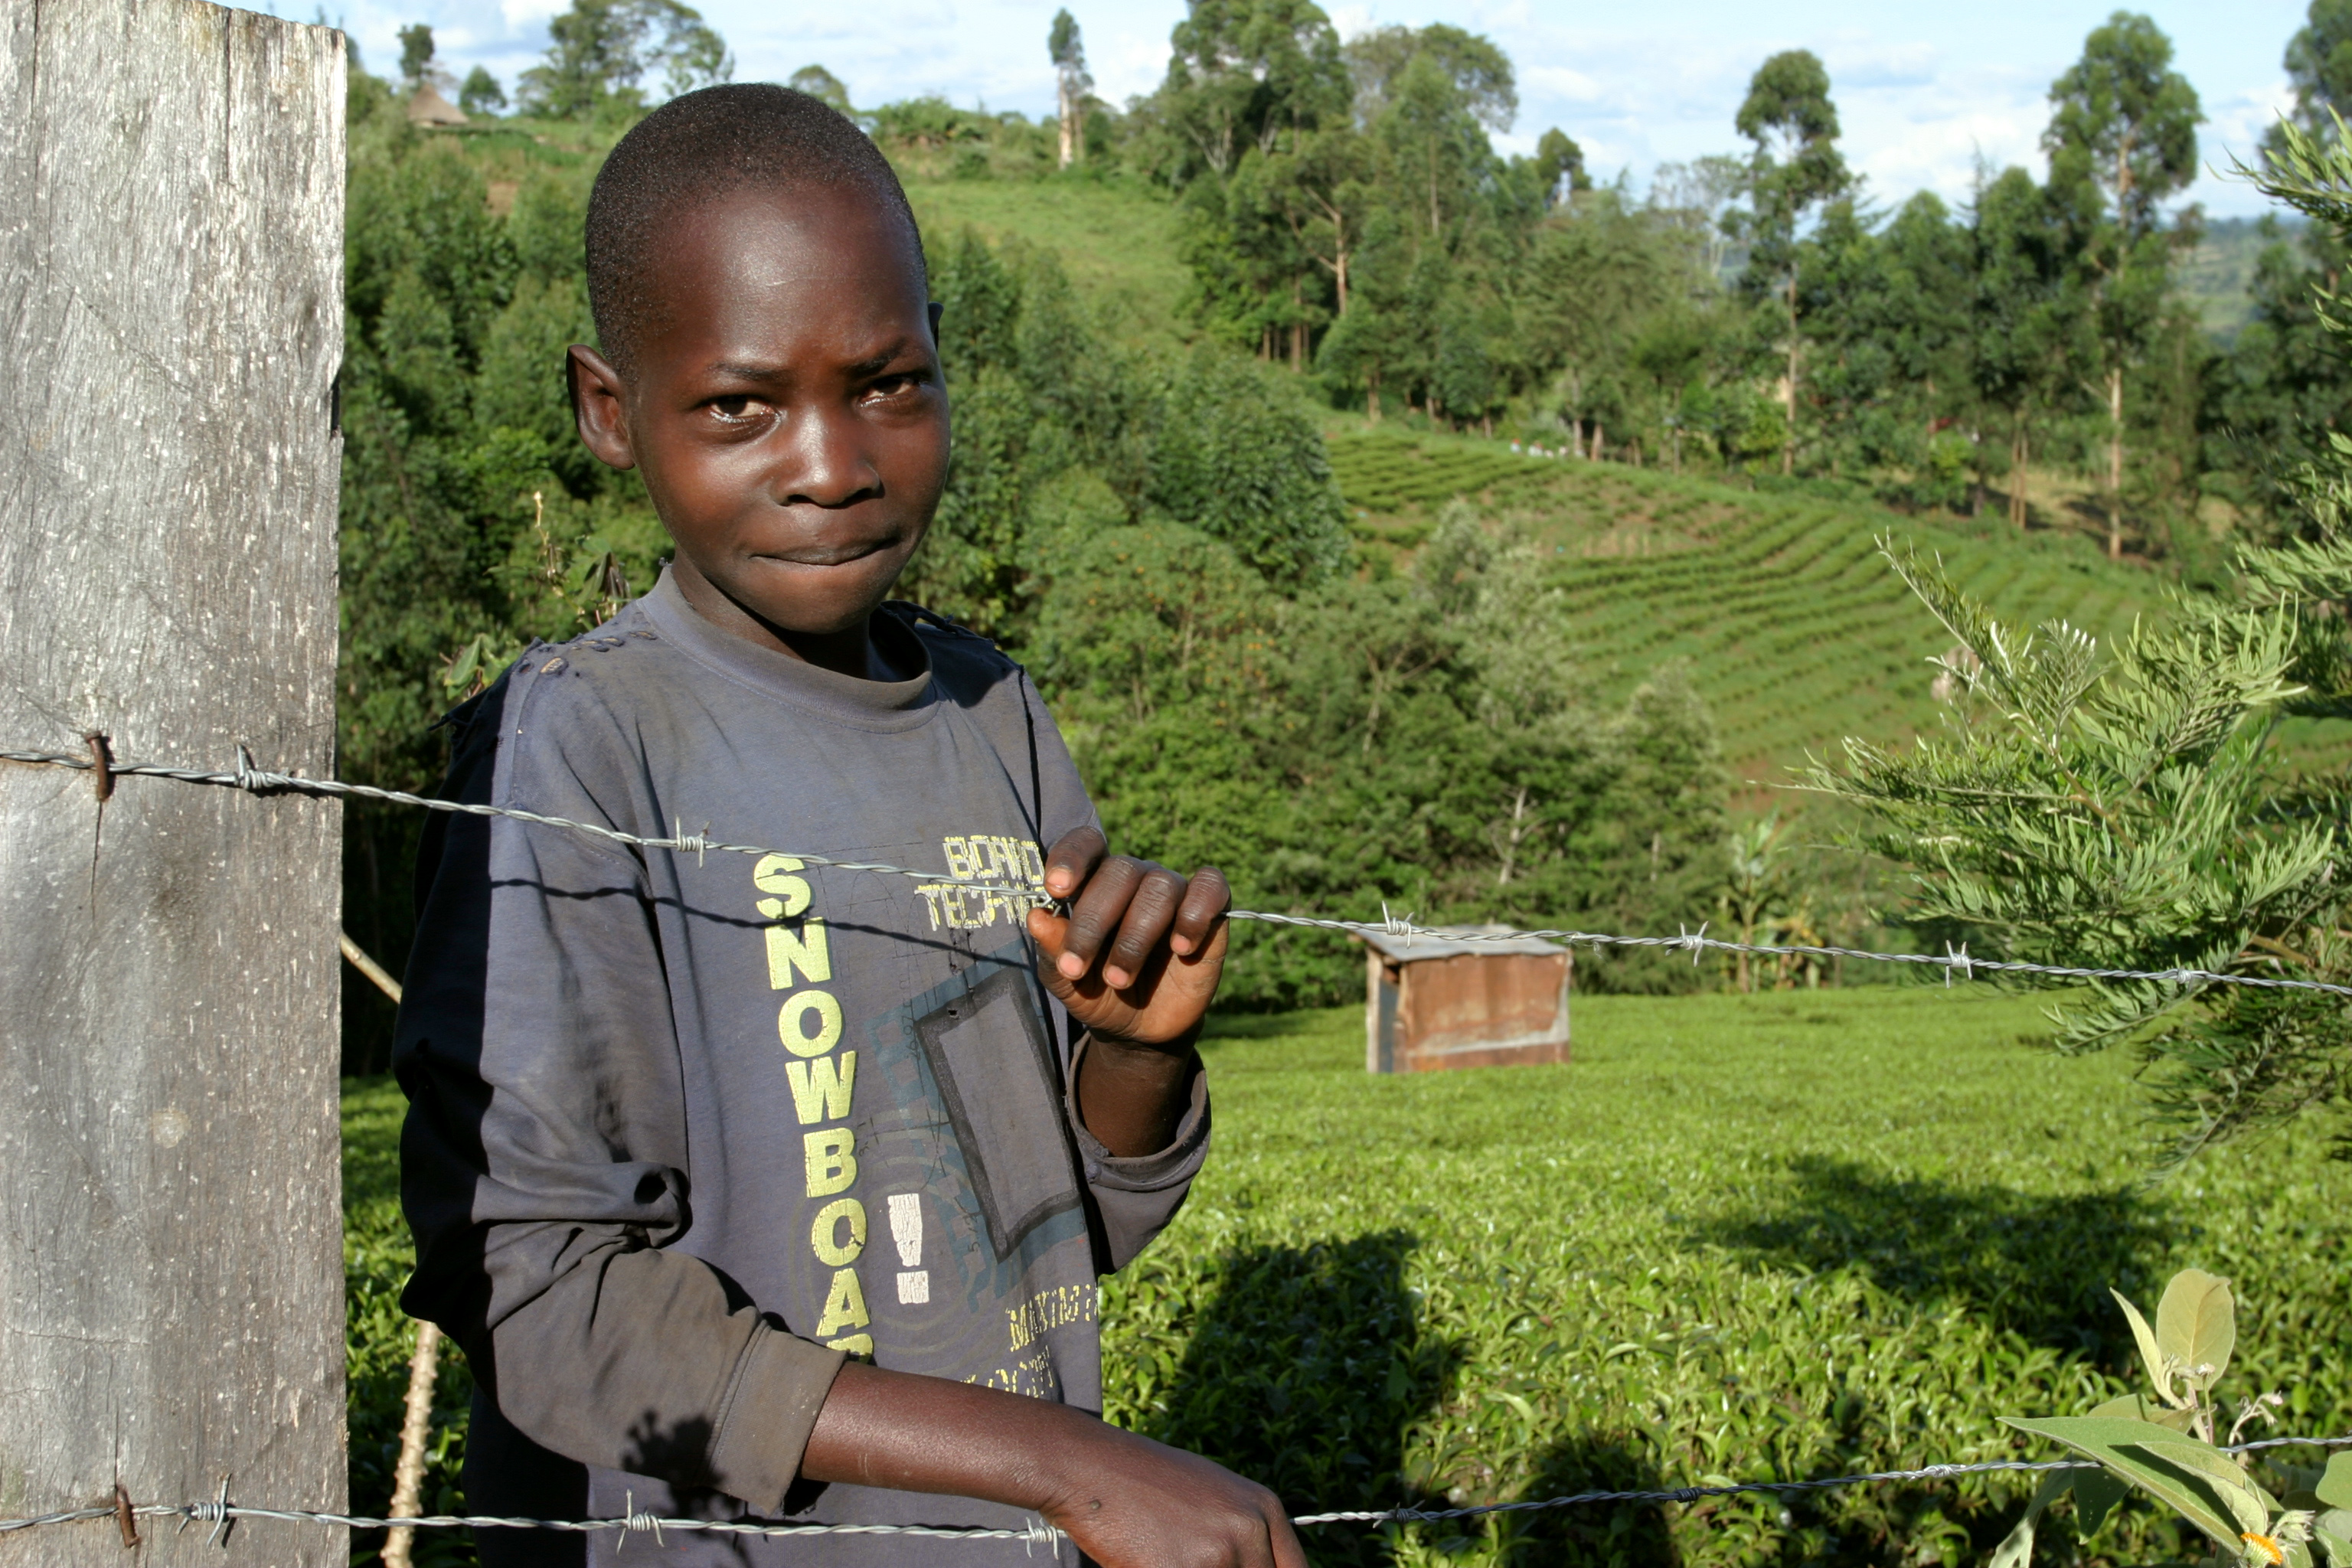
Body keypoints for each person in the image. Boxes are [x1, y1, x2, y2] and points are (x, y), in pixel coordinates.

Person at [394, 83, 1305, 1568]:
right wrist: (1069, 1466)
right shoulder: (576, 748)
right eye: (743, 405)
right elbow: (547, 1295)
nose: (832, 461)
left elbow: (1061, 1234)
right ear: (609, 410)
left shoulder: (989, 710)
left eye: (887, 381)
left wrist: (1135, 1053)